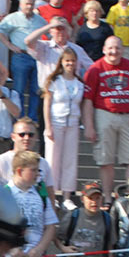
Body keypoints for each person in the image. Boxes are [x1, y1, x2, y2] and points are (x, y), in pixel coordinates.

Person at [83, 36, 129, 196]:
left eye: (118, 48)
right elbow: (87, 100)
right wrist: (89, 126)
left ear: (122, 50)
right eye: (111, 48)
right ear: (104, 49)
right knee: (106, 160)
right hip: (104, 115)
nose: (114, 52)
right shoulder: (96, 68)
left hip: (128, 117)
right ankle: (107, 197)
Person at [0, 150, 57, 257]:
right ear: (20, 171)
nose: (38, 174)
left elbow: (51, 226)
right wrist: (11, 248)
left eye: (38, 170)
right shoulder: (4, 194)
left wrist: (40, 249)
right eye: (33, 170)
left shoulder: (40, 195)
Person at [41, 47, 86, 200]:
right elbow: (47, 104)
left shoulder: (79, 83)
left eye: (72, 61)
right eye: (67, 61)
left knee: (70, 160)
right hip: (56, 123)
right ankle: (51, 196)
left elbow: (82, 105)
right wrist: (48, 127)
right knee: (52, 160)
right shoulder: (54, 81)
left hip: (72, 124)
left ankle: (67, 196)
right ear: (62, 62)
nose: (70, 64)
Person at [0, 0, 46, 122]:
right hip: (20, 56)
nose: (29, 6)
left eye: (31, 4)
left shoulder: (40, 20)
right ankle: (18, 118)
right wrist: (9, 45)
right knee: (19, 89)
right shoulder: (13, 18)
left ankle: (32, 119)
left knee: (36, 89)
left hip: (36, 57)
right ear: (21, 4)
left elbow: (50, 35)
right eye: (26, 4)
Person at [0, 117, 53, 189]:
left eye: (31, 135)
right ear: (13, 137)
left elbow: (49, 191)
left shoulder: (43, 163)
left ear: (36, 137)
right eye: (22, 134)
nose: (26, 138)